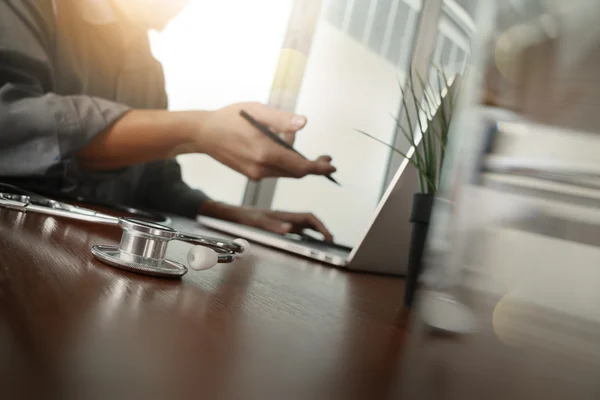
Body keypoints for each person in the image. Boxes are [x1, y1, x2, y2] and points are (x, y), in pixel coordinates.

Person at [0, 0, 335, 241]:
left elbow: (156, 184)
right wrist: (197, 130)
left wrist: (232, 214)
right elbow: (12, 124)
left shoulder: (148, 71)